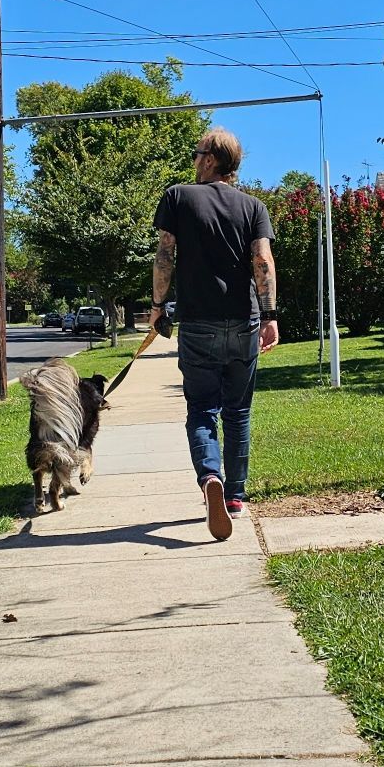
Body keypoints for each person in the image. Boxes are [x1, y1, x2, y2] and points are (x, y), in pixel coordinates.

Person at [152, 128, 279, 539]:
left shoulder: (178, 196)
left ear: (209, 160)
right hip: (244, 320)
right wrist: (270, 314)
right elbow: (263, 260)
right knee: (238, 411)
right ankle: (236, 497)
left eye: (197, 153)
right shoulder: (254, 206)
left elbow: (165, 256)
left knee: (202, 409)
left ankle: (211, 478)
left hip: (198, 323)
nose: (194, 158)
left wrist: (158, 306)